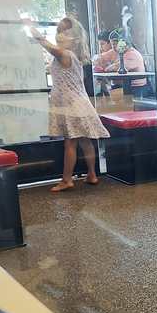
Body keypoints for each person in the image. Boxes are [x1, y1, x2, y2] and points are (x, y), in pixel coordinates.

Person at [30, 17, 110, 192]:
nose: (60, 35)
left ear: (74, 37)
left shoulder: (65, 54)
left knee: (70, 142)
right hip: (80, 103)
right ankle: (92, 174)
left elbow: (46, 44)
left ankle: (67, 179)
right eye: (59, 31)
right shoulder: (74, 56)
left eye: (64, 32)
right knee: (85, 141)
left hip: (71, 105)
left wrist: (31, 28)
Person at [93, 27, 147, 97]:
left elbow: (116, 68)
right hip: (118, 88)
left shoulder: (133, 54)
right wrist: (98, 61)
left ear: (124, 43)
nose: (113, 47)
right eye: (112, 44)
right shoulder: (115, 51)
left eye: (115, 44)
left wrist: (105, 67)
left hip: (135, 90)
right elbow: (98, 58)